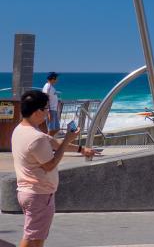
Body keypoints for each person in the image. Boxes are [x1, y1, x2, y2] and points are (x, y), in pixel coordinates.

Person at [13, 89, 96, 246]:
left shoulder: (21, 129)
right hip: (38, 194)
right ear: (37, 111)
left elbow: (51, 142)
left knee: (35, 237)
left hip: (28, 191)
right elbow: (50, 165)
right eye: (45, 109)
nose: (48, 112)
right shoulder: (35, 138)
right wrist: (66, 141)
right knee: (32, 238)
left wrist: (81, 149)